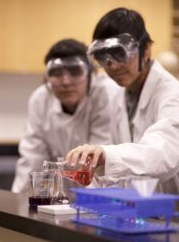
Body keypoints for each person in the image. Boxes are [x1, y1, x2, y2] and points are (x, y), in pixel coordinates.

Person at [65, 8, 179, 194]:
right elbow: (126, 171)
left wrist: (105, 154)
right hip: (144, 211)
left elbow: (163, 154)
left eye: (121, 53)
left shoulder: (173, 94)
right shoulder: (119, 96)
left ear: (147, 49)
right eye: (103, 57)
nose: (113, 66)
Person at [12, 38, 119, 193]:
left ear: (90, 74)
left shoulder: (106, 94)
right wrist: (18, 205)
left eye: (75, 71)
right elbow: (32, 158)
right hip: (63, 196)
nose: (66, 82)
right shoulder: (41, 99)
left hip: (105, 194)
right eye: (56, 73)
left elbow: (97, 159)